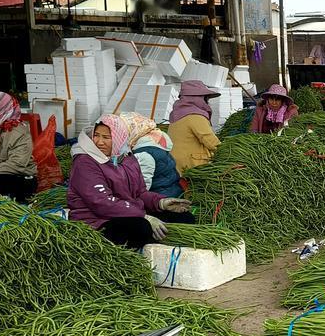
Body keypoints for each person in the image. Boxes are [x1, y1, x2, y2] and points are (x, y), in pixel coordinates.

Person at [67, 114, 193, 249]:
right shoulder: (85, 162)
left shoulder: (127, 159)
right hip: (95, 221)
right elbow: (102, 203)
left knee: (183, 217)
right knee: (141, 228)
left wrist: (160, 202)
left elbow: (140, 193)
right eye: (96, 135)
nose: (99, 142)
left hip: (126, 212)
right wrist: (144, 216)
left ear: (119, 138)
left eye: (106, 137)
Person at [119, 112, 183, 199]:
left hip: (161, 200)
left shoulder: (144, 154)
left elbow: (142, 187)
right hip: (170, 192)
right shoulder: (152, 143)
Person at [169, 80, 221, 173]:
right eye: (206, 98)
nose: (207, 102)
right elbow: (209, 140)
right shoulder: (194, 115)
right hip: (191, 164)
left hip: (176, 162)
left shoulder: (178, 113)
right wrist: (227, 151)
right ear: (197, 98)